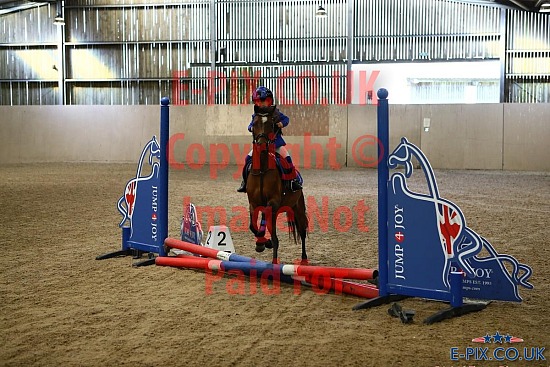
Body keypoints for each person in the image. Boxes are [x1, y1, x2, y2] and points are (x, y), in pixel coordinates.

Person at [237, 86, 303, 193]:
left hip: (275, 144)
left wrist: (282, 123)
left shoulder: (275, 113)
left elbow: (286, 119)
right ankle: (245, 182)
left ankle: (293, 180)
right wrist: (251, 128)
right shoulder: (256, 115)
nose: (261, 104)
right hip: (260, 145)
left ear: (269, 100)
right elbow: (250, 125)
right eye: (258, 102)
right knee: (247, 159)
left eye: (263, 101)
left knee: (287, 158)